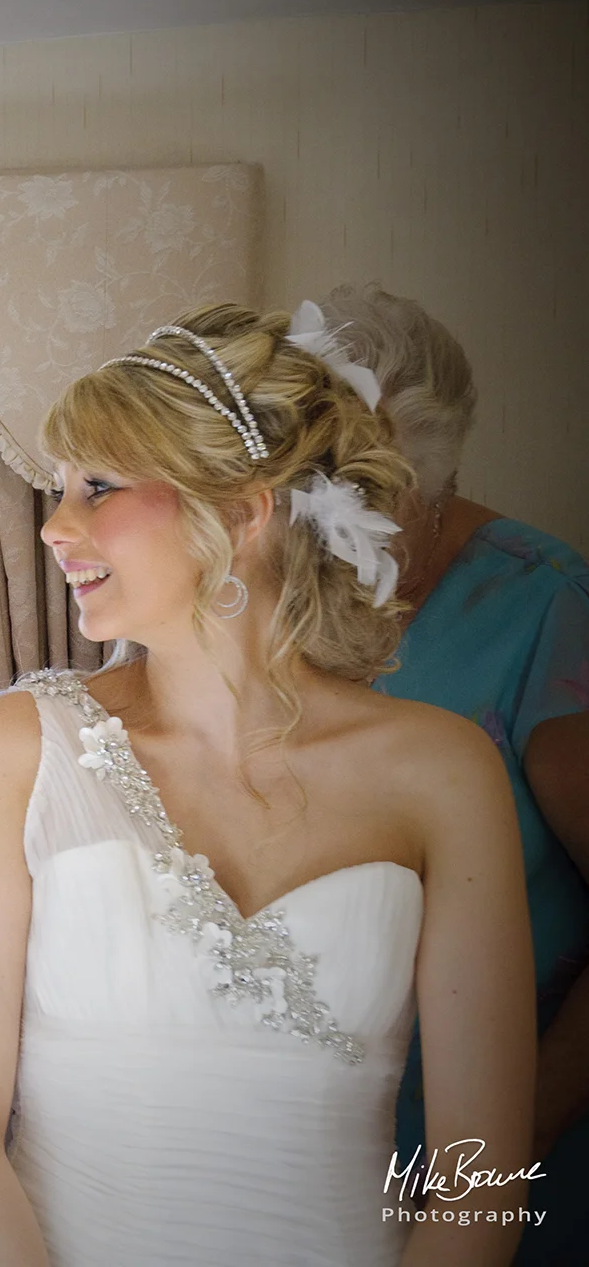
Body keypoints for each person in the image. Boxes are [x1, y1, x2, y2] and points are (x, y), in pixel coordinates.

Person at [0, 304, 537, 1265]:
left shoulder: (447, 773)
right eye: (61, 489)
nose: (54, 528)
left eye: (98, 487)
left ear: (242, 514)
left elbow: (483, 1178)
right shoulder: (16, 748)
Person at [313, 284, 589, 1265]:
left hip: (499, 1134)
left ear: (437, 481)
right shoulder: (275, 595)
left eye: (383, 507)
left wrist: (522, 1128)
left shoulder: (542, 605)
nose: (350, 553)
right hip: (315, 1128)